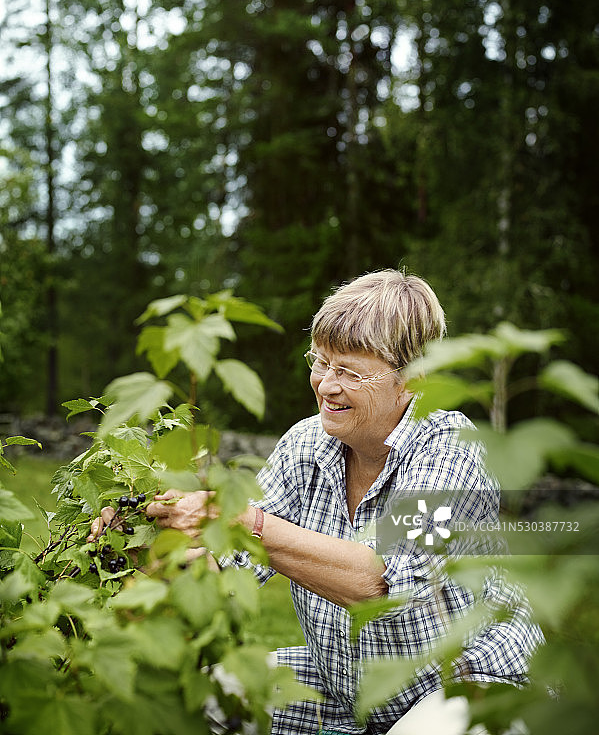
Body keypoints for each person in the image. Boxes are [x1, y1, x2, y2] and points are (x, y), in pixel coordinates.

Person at [97, 269, 544, 734]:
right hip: (345, 688)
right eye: (321, 361)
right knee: (207, 696)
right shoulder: (306, 444)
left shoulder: (452, 448)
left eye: (350, 371)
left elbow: (383, 583)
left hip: (471, 685)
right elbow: (226, 561)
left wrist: (239, 519)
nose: (326, 384)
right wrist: (141, 544)